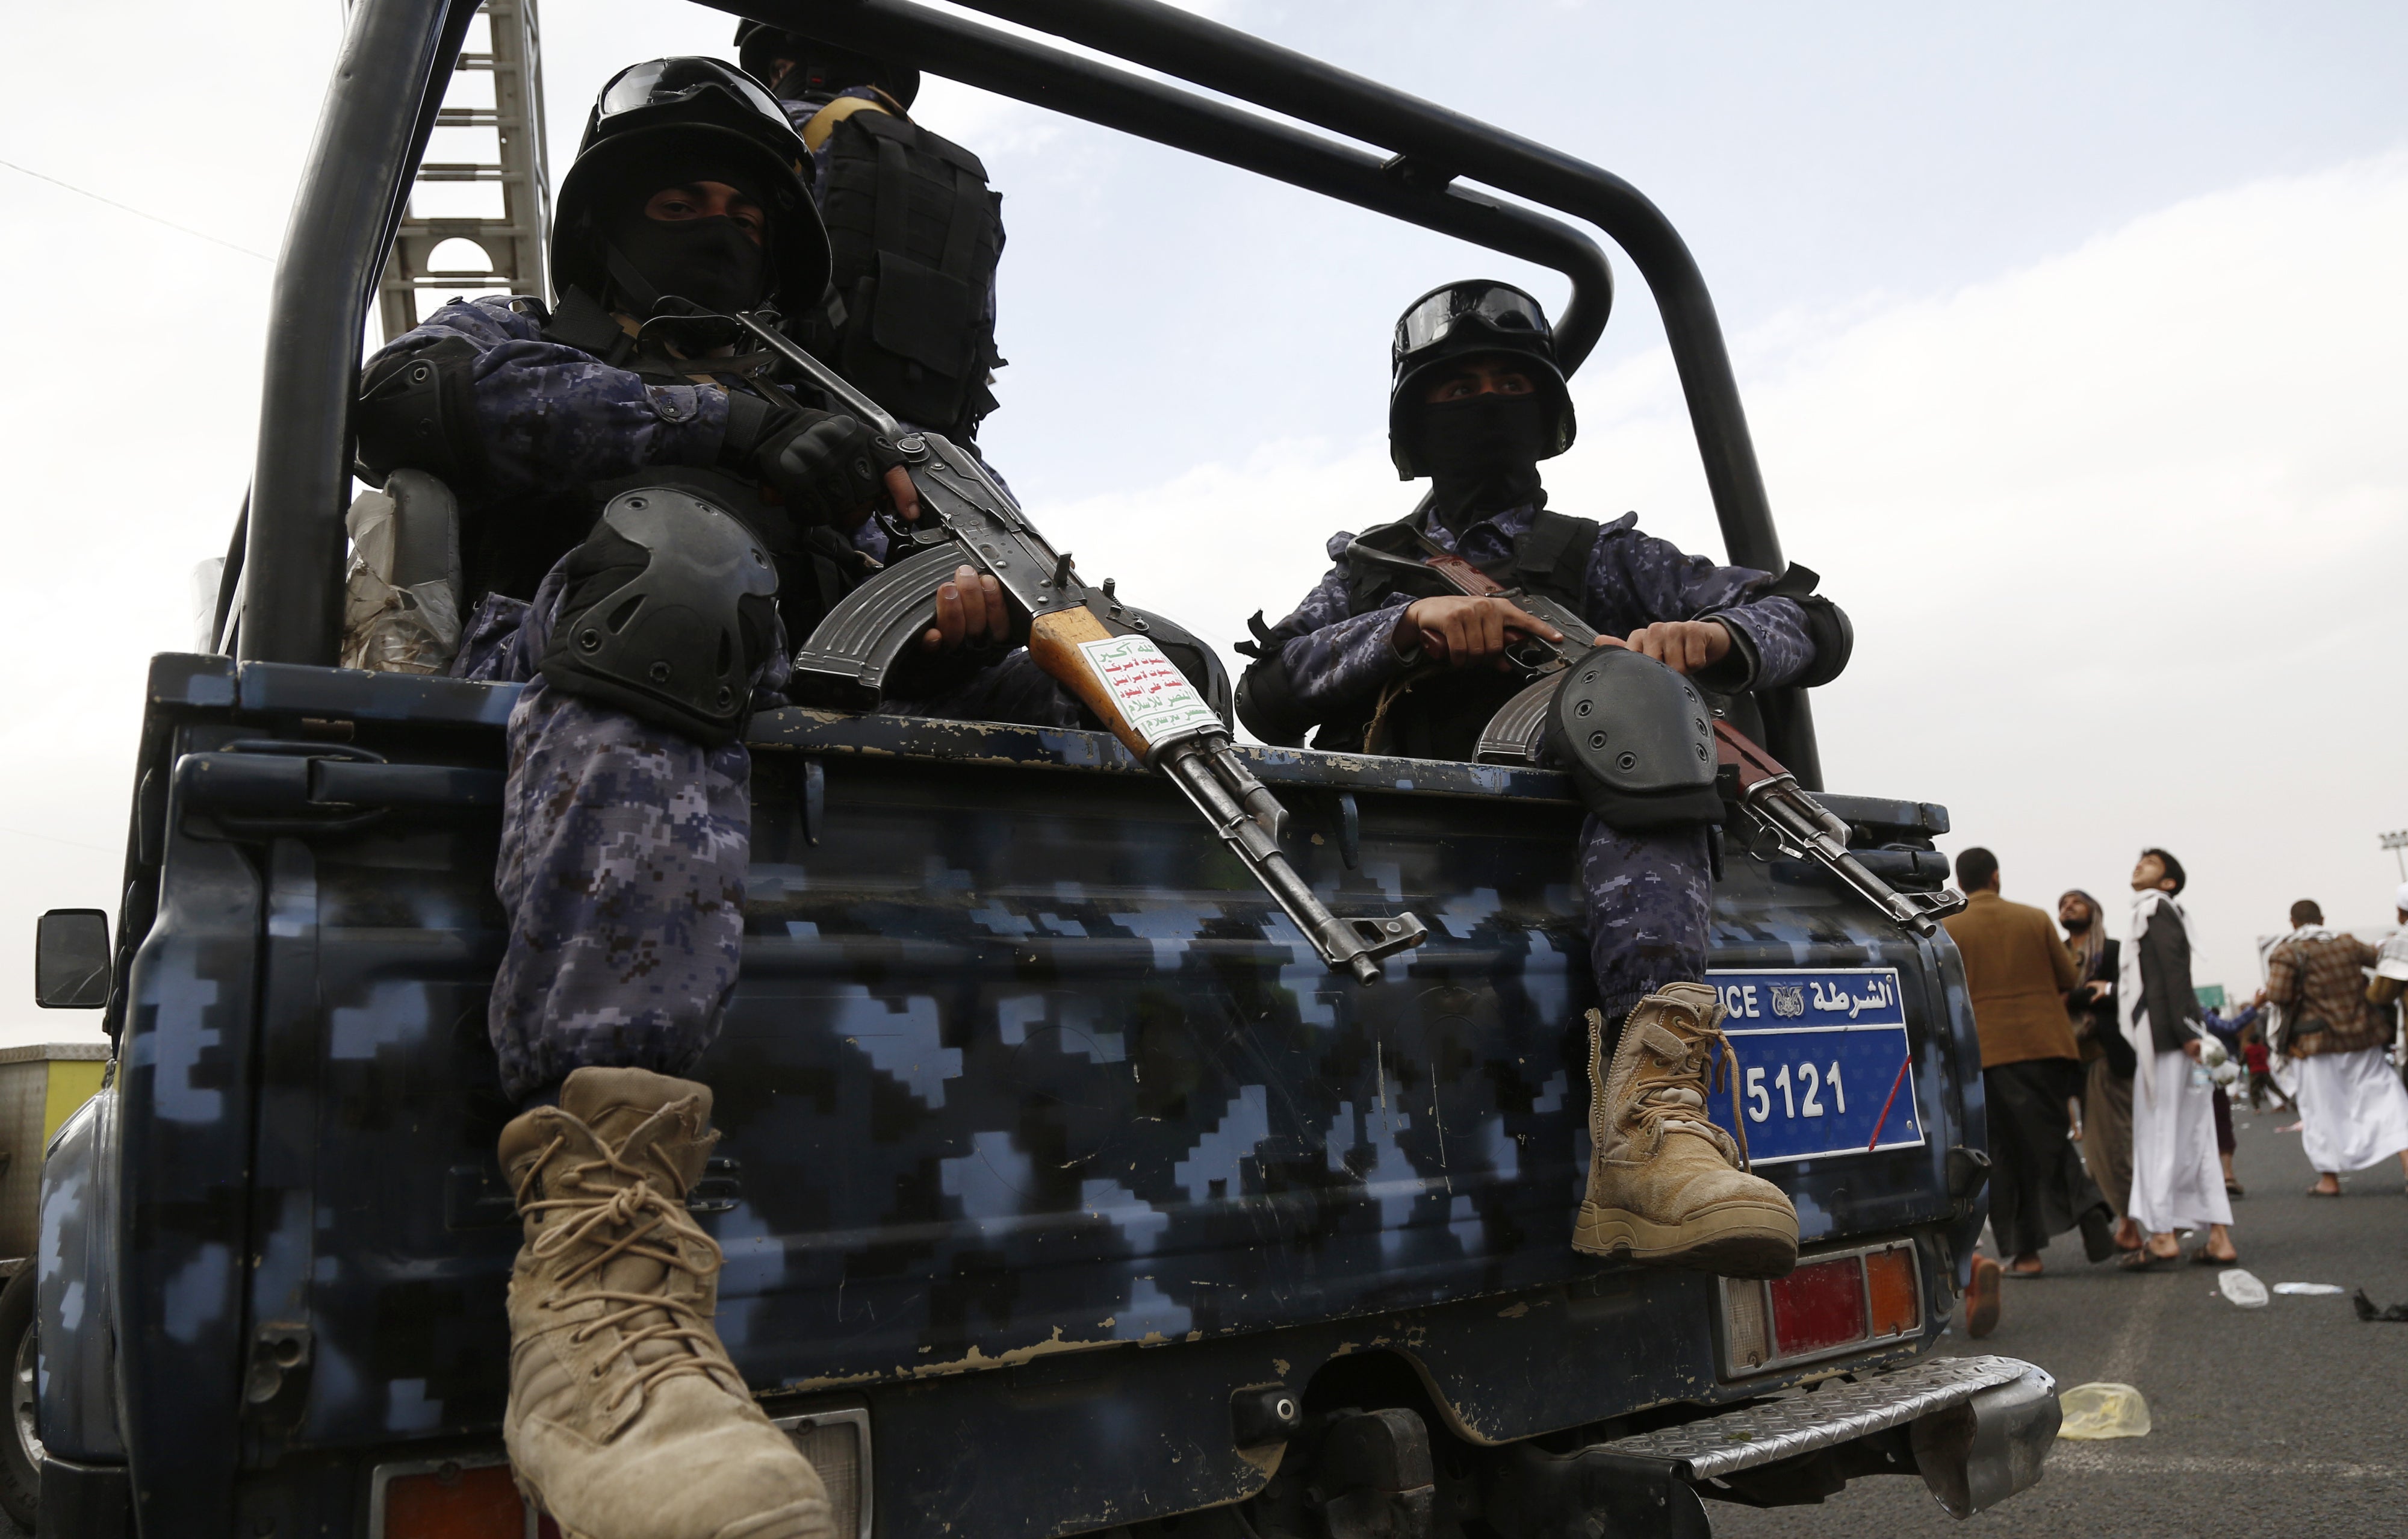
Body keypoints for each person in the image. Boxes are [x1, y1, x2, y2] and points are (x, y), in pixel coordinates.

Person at [353, 59, 1072, 1539]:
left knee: (1130, 672)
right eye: (678, 197)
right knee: (681, 576)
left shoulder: (853, 407)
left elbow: (959, 583)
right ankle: (598, 1289)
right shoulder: (529, 339)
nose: (715, 225)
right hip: (570, 669)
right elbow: (408, 392)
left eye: (744, 206)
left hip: (811, 698)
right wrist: (715, 430)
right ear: (610, 224)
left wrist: (962, 601)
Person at [1233, 281, 1854, 1279]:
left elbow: (1807, 623)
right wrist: (1404, 630)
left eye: (1507, 382)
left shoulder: (1602, 557)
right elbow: (1263, 693)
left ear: (1545, 410)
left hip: (1583, 843)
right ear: (1414, 421)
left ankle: (1655, 1132)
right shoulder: (1373, 570)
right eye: (1457, 387)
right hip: (1401, 861)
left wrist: (1718, 637)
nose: (1485, 402)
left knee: (1640, 698)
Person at [734, 22, 1007, 445]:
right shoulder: (964, 180)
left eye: (774, 71)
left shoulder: (772, 131)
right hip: (937, 461)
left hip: (779, 430)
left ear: (788, 66)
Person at [1941, 850, 2113, 1275]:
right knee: (2050, 1138)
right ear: (1997, 877)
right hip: (2048, 1046)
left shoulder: (1951, 929)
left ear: (1962, 884)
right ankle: (2088, 1209)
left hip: (1988, 1053)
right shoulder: (2036, 918)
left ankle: (2026, 1254)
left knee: (2001, 1152)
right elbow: (2068, 980)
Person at [2118, 849, 2236, 1269]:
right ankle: (2218, 1237)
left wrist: (2187, 1031)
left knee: (2159, 1134)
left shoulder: (2156, 909)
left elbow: (2173, 971)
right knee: (2197, 1134)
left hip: (2169, 1042)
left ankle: (2164, 1234)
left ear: (2168, 881)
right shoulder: (2158, 909)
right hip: (2177, 1039)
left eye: (2150, 863)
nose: (2139, 866)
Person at [2262, 898, 2408, 1195]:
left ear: (2293, 922)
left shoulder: (2287, 952)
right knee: (2387, 1098)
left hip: (2314, 1045)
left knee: (2320, 1110)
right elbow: (2383, 962)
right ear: (2323, 919)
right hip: (2361, 1037)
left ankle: (2329, 1180)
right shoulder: (2348, 945)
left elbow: (2277, 995)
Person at [2062, 888, 2140, 1251]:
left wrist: (2104, 990)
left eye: (2076, 901)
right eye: (2063, 903)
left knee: (2112, 1147)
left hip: (2106, 1056)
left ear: (2095, 911)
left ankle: (2130, 1225)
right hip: (2068, 1058)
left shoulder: (2112, 951)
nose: (2068, 907)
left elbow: (2136, 991)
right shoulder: (2058, 955)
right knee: (2093, 1153)